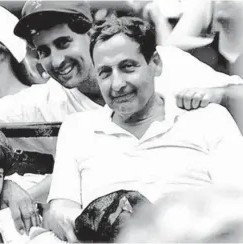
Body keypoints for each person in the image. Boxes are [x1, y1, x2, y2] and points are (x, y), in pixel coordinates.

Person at [0, 0, 243, 233]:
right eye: (44, 51)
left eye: (63, 43)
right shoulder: (55, 102)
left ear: (91, 34)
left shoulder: (172, 67)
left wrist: (217, 95)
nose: (57, 61)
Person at [44, 16, 243, 242]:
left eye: (128, 67)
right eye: (105, 73)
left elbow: (236, 205)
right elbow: (61, 208)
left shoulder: (207, 119)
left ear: (155, 64)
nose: (117, 84)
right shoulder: (78, 129)